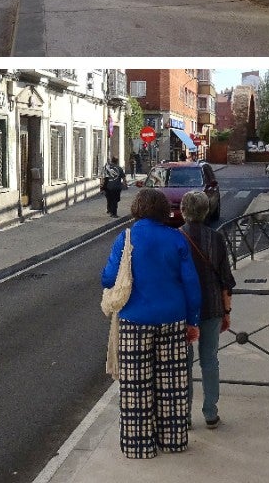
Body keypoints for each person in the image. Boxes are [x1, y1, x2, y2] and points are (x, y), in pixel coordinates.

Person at [101, 188, 201, 459]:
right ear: (163, 210)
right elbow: (191, 283)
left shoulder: (126, 238)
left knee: (136, 385)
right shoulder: (176, 238)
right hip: (173, 319)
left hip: (134, 320)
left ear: (137, 208)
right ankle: (173, 441)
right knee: (172, 385)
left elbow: (109, 278)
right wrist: (193, 320)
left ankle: (139, 446)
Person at [179, 191, 236, 429]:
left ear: (183, 210)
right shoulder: (216, 238)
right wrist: (227, 311)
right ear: (205, 211)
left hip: (183, 312)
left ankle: (184, 416)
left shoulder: (177, 238)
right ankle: (210, 413)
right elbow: (225, 280)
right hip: (212, 308)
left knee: (183, 364)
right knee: (210, 360)